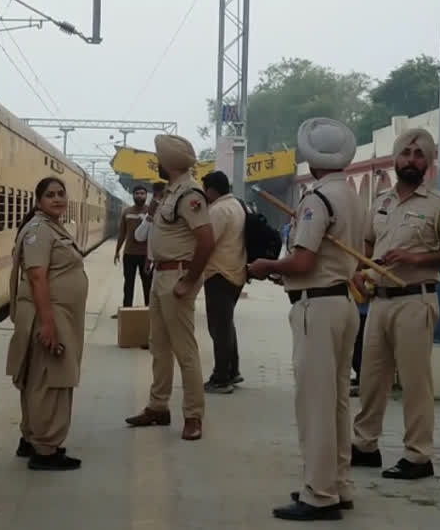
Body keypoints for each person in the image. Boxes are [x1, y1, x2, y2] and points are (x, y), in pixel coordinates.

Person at [246, 117, 364, 521]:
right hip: (344, 303)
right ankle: (339, 483)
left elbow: (303, 260)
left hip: (318, 308)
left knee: (314, 403)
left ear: (310, 160)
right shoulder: (351, 196)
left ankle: (318, 493)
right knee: (336, 402)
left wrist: (265, 266)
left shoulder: (317, 199)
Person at [349, 128, 440, 482]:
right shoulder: (381, 202)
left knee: (416, 382)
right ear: (395, 159)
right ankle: (365, 445)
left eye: (419, 155)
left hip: (416, 300)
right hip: (379, 302)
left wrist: (416, 257)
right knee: (371, 379)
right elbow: (366, 246)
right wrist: (359, 271)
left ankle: (419, 455)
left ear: (429, 163)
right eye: (406, 153)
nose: (412, 159)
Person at [125, 135, 216, 441]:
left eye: (160, 159)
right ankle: (158, 406)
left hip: (176, 277)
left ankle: (193, 416)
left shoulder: (190, 194)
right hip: (161, 276)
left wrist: (189, 280)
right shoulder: (171, 193)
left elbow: (206, 240)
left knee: (185, 351)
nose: (158, 163)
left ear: (170, 163)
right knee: (159, 345)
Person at [6, 177, 88, 471]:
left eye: (61, 194)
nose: (57, 199)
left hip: (56, 314)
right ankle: (45, 450)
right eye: (50, 195)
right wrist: (48, 323)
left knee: (38, 380)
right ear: (38, 200)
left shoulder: (50, 227)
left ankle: (31, 438)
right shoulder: (39, 231)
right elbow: (37, 276)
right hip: (49, 315)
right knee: (50, 380)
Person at [200, 170, 248, 394]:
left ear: (211, 190)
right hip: (236, 271)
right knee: (226, 325)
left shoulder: (218, 210)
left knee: (218, 327)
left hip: (219, 273)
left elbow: (208, 242)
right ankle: (232, 370)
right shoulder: (237, 205)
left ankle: (220, 378)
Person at [114, 185, 153, 312]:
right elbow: (122, 233)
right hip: (129, 254)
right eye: (137, 193)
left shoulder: (151, 212)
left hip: (146, 256)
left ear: (146, 196)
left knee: (147, 284)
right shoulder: (127, 212)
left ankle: (149, 310)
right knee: (128, 284)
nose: (140, 196)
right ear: (133, 195)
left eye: (142, 193)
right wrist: (117, 251)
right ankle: (127, 310)